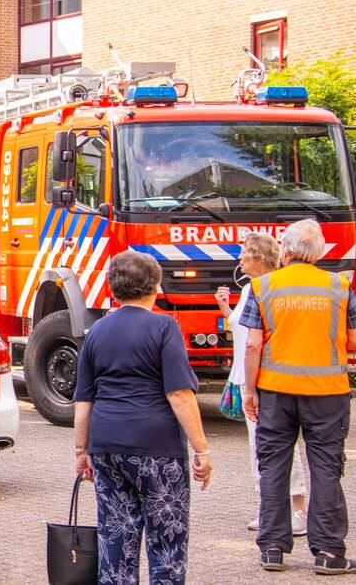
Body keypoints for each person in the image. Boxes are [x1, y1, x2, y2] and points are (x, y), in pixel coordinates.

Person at [73, 250, 212, 585]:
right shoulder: (164, 327)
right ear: (156, 286)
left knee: (116, 537)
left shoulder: (97, 332)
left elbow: (83, 400)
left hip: (107, 447)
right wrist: (201, 449)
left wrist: (82, 450)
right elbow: (179, 394)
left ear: (112, 289)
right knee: (167, 544)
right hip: (157, 449)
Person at [240, 219, 356, 574]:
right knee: (325, 468)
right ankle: (329, 553)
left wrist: (249, 390)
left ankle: (273, 548)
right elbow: (352, 342)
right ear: (319, 253)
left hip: (275, 392)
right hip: (327, 394)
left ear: (286, 251)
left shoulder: (264, 286)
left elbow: (253, 344)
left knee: (273, 466)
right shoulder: (340, 285)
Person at [214, 232, 308, 535]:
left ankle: (298, 510)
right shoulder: (248, 290)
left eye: (243, 253)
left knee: (280, 447)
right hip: (245, 379)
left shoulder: (273, 290)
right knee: (259, 449)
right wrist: (225, 308)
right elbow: (240, 332)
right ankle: (268, 509)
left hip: (267, 380)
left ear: (258, 257)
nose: (239, 258)